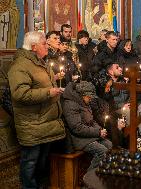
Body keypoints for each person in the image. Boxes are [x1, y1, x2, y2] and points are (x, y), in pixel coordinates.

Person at [8, 31, 65, 189]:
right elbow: (20, 94)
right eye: (44, 44)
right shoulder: (20, 66)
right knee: (30, 162)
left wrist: (54, 79)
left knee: (42, 161)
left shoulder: (40, 62)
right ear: (34, 47)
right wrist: (48, 92)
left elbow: (39, 82)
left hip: (44, 121)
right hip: (32, 123)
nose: (47, 46)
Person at [62, 81, 113, 170]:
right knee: (102, 151)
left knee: (109, 144)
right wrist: (97, 132)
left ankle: (100, 173)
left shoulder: (84, 102)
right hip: (77, 138)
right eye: (89, 97)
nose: (90, 99)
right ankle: (89, 178)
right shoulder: (70, 104)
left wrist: (100, 130)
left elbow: (91, 120)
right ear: (82, 95)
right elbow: (77, 128)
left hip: (87, 136)